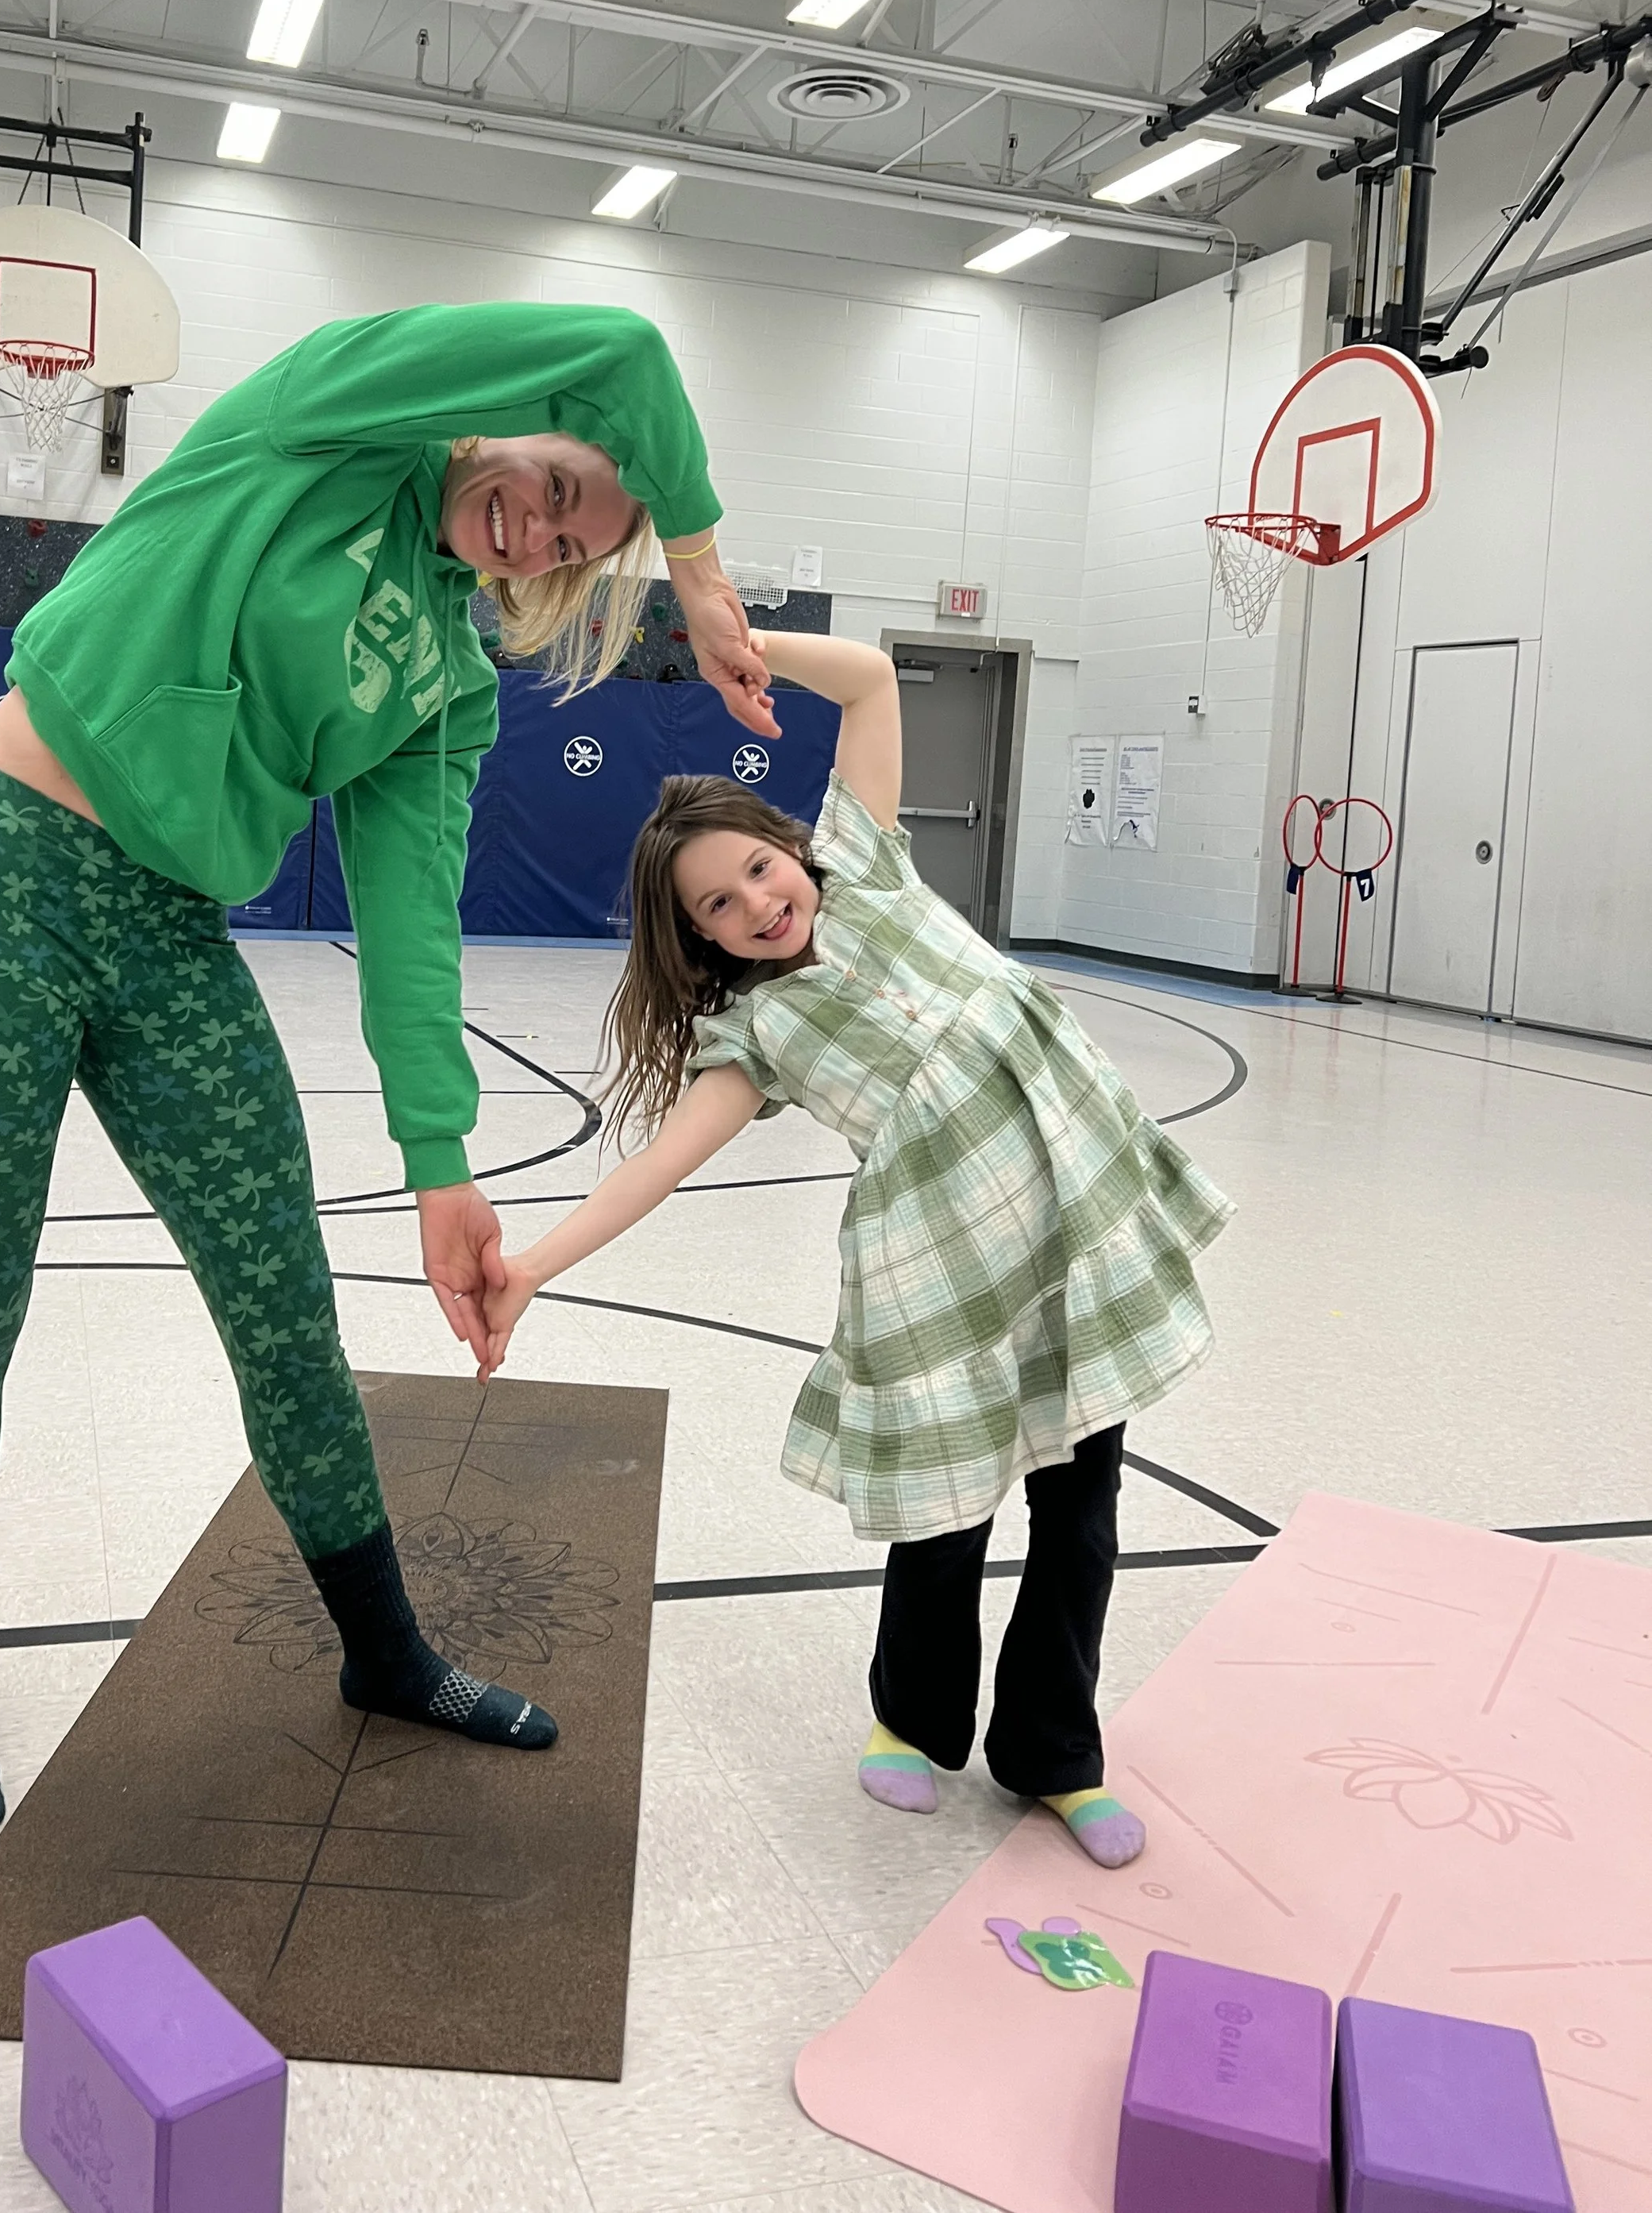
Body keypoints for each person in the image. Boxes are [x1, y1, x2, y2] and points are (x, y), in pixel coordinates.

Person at [0, 300, 773, 1836]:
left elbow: (415, 933)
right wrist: (695, 563)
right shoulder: (325, 425)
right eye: (557, 491)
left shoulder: (450, 687)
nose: (540, 534)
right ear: (516, 426)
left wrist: (443, 1168)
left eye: (570, 548)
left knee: (285, 1301)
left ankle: (385, 1652)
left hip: (166, 933)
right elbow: (623, 349)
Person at [480, 632, 1230, 1865]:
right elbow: (657, 1166)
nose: (757, 906)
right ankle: (907, 1721)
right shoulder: (754, 1033)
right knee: (946, 1516)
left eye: (762, 871)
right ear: (699, 940)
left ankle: (1057, 1755)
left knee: (1081, 1513)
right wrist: (531, 1269)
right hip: (938, 1275)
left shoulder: (870, 868)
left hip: (1064, 1235)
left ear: (795, 849)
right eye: (718, 906)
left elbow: (874, 681)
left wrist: (730, 637)